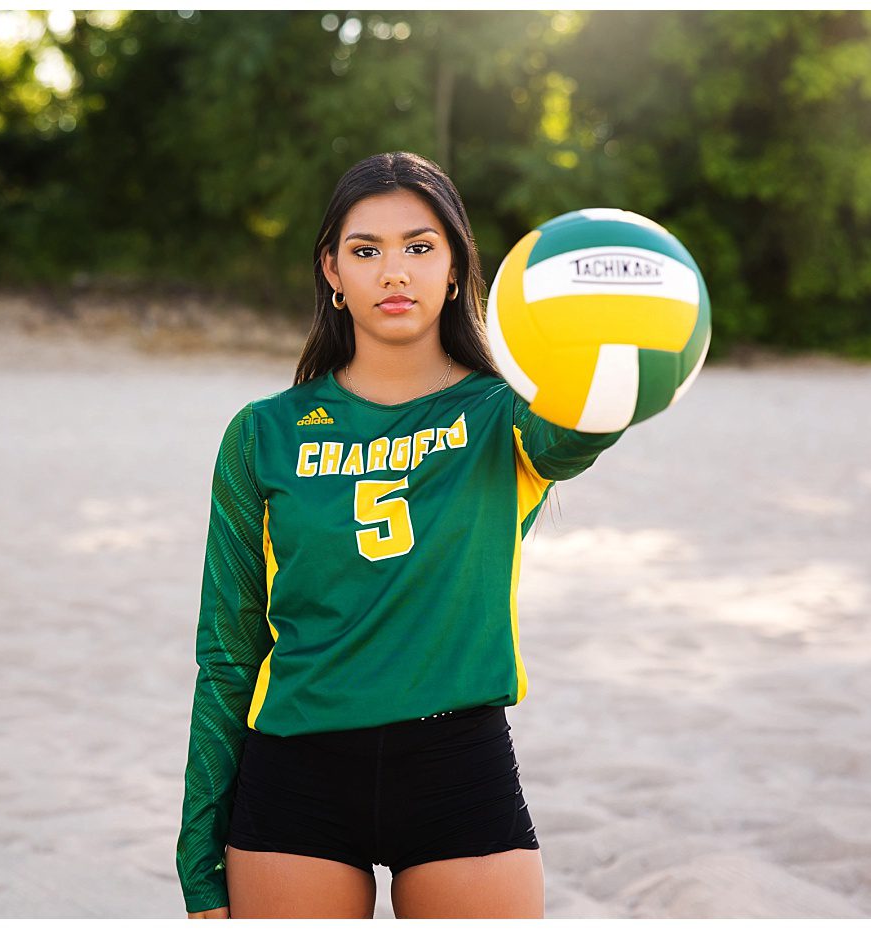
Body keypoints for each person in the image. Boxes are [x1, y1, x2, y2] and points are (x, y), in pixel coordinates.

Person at [176, 152, 621, 917]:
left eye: (419, 246)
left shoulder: (505, 416)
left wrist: (623, 338)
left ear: (455, 268)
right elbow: (228, 650)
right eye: (366, 249)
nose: (394, 271)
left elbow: (579, 432)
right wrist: (199, 855)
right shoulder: (263, 434)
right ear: (331, 270)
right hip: (296, 775)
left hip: (458, 767)